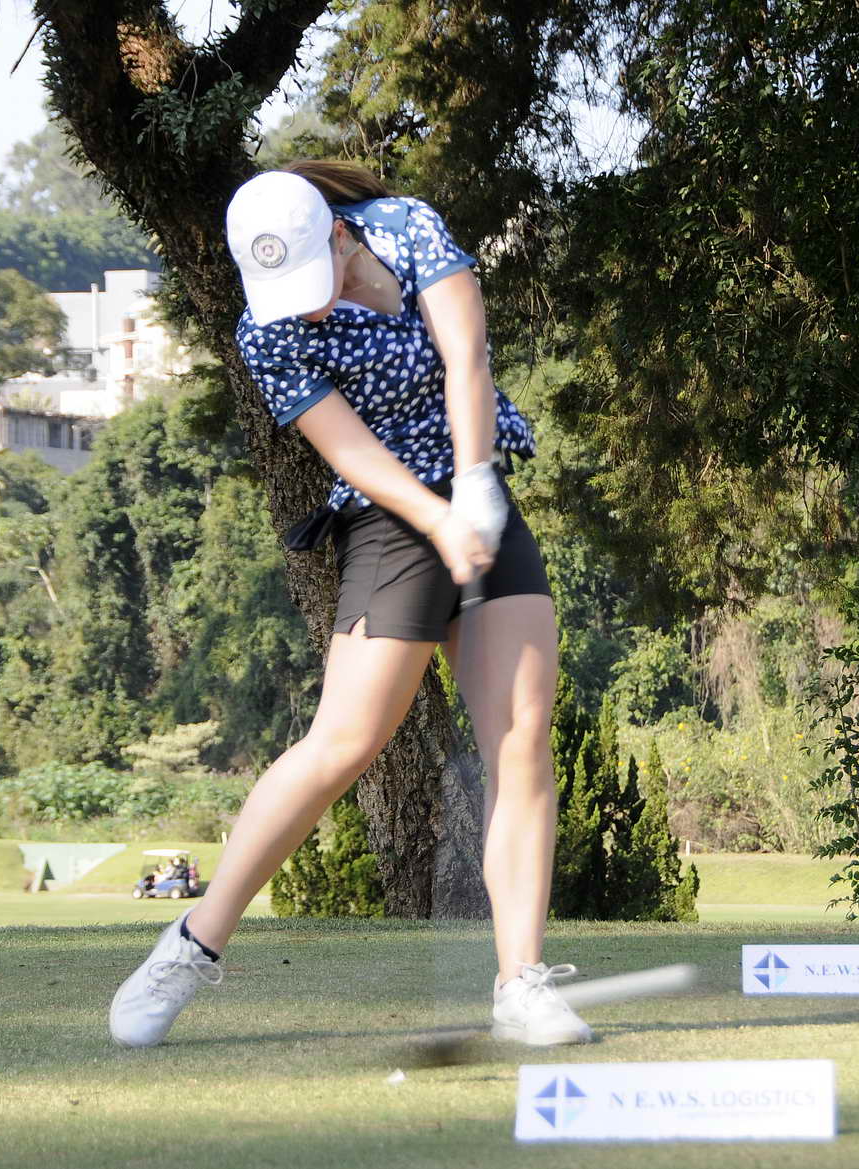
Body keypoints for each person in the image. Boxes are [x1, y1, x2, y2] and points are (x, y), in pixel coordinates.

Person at [107, 163, 589, 1051]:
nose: (310, 308)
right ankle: (190, 945)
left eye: (315, 280)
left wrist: (476, 484)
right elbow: (349, 449)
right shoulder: (267, 330)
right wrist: (438, 519)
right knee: (344, 743)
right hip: (389, 515)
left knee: (521, 735)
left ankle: (520, 984)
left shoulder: (406, 228)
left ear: (339, 233)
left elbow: (467, 356)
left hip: (476, 480)